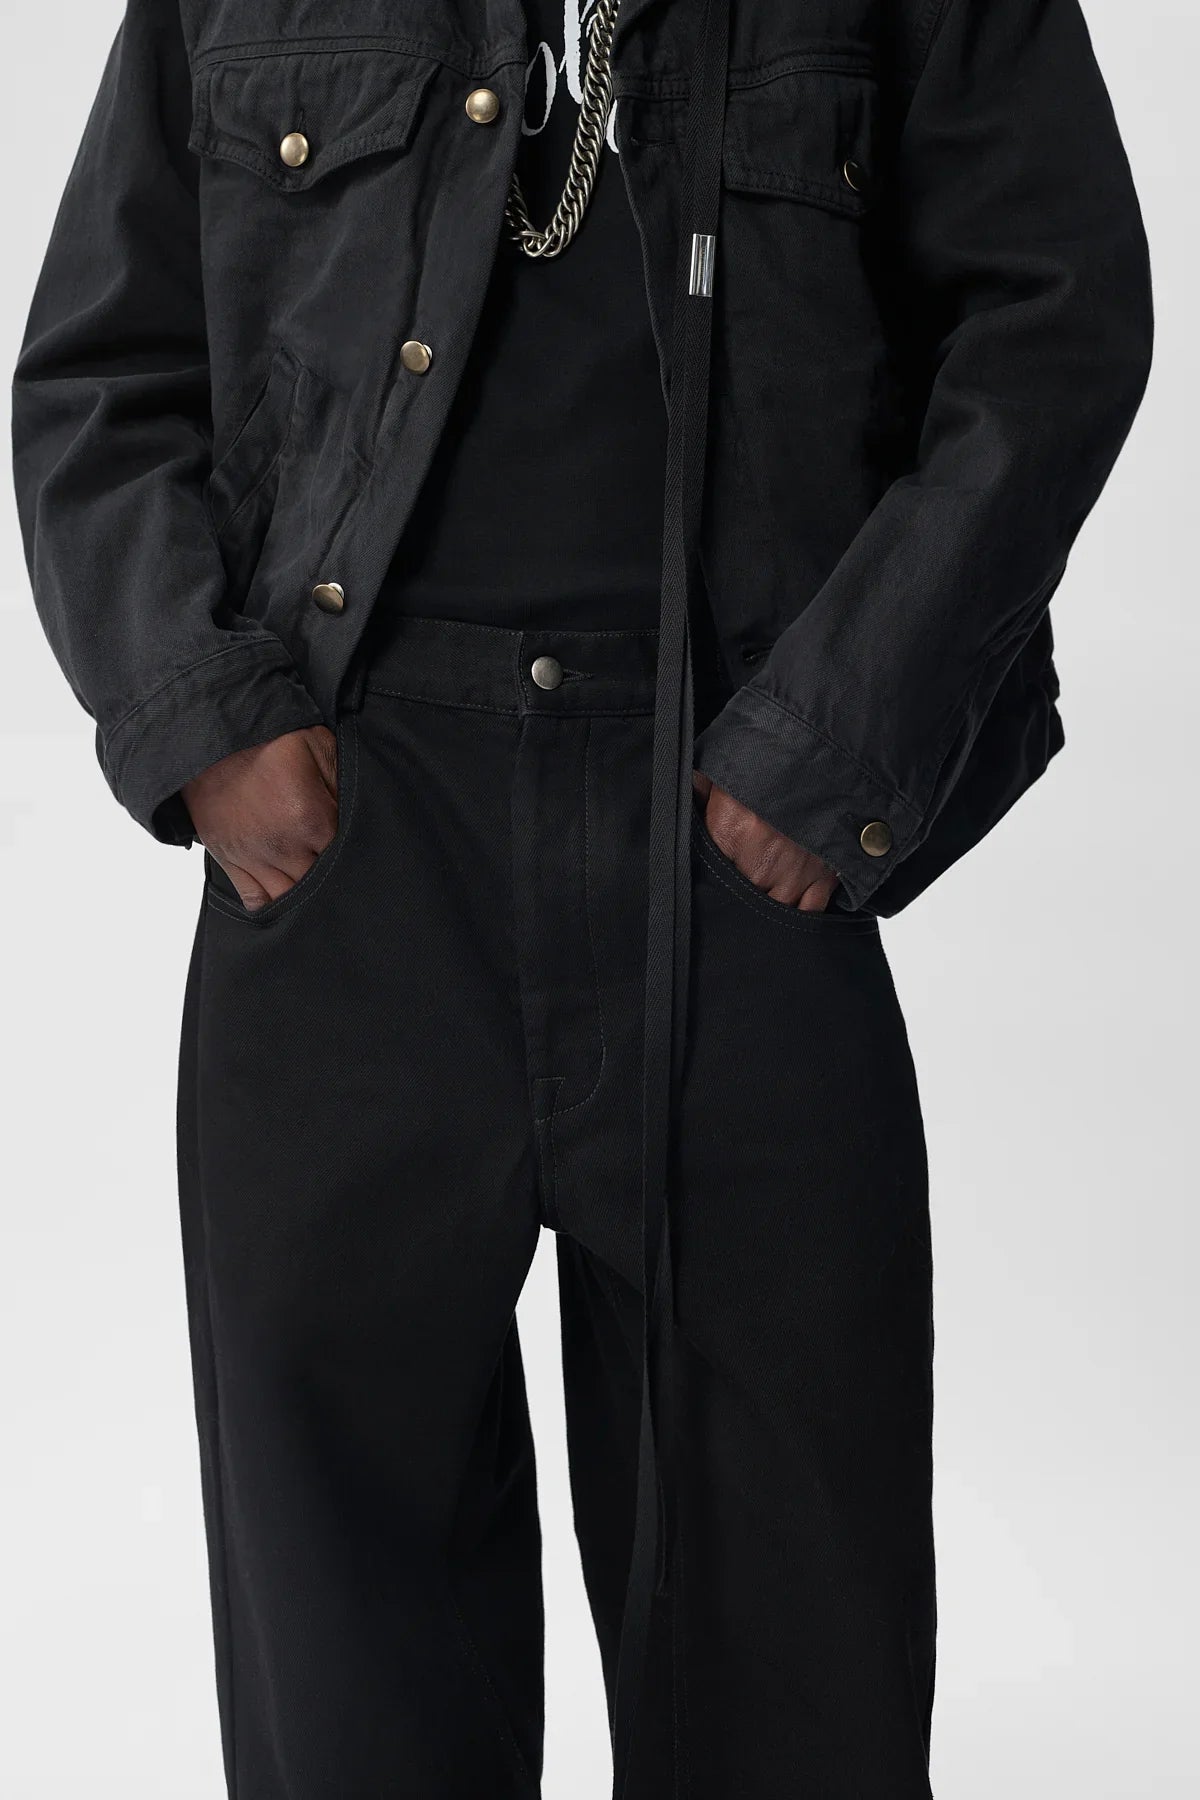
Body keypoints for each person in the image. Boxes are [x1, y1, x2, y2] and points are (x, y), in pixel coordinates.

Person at [11, 0, 1151, 1794]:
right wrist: (205, 729)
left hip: (737, 838)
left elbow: (1057, 320)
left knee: (795, 1665)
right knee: (348, 1681)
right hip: (352, 850)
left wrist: (834, 748)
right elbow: (98, 370)